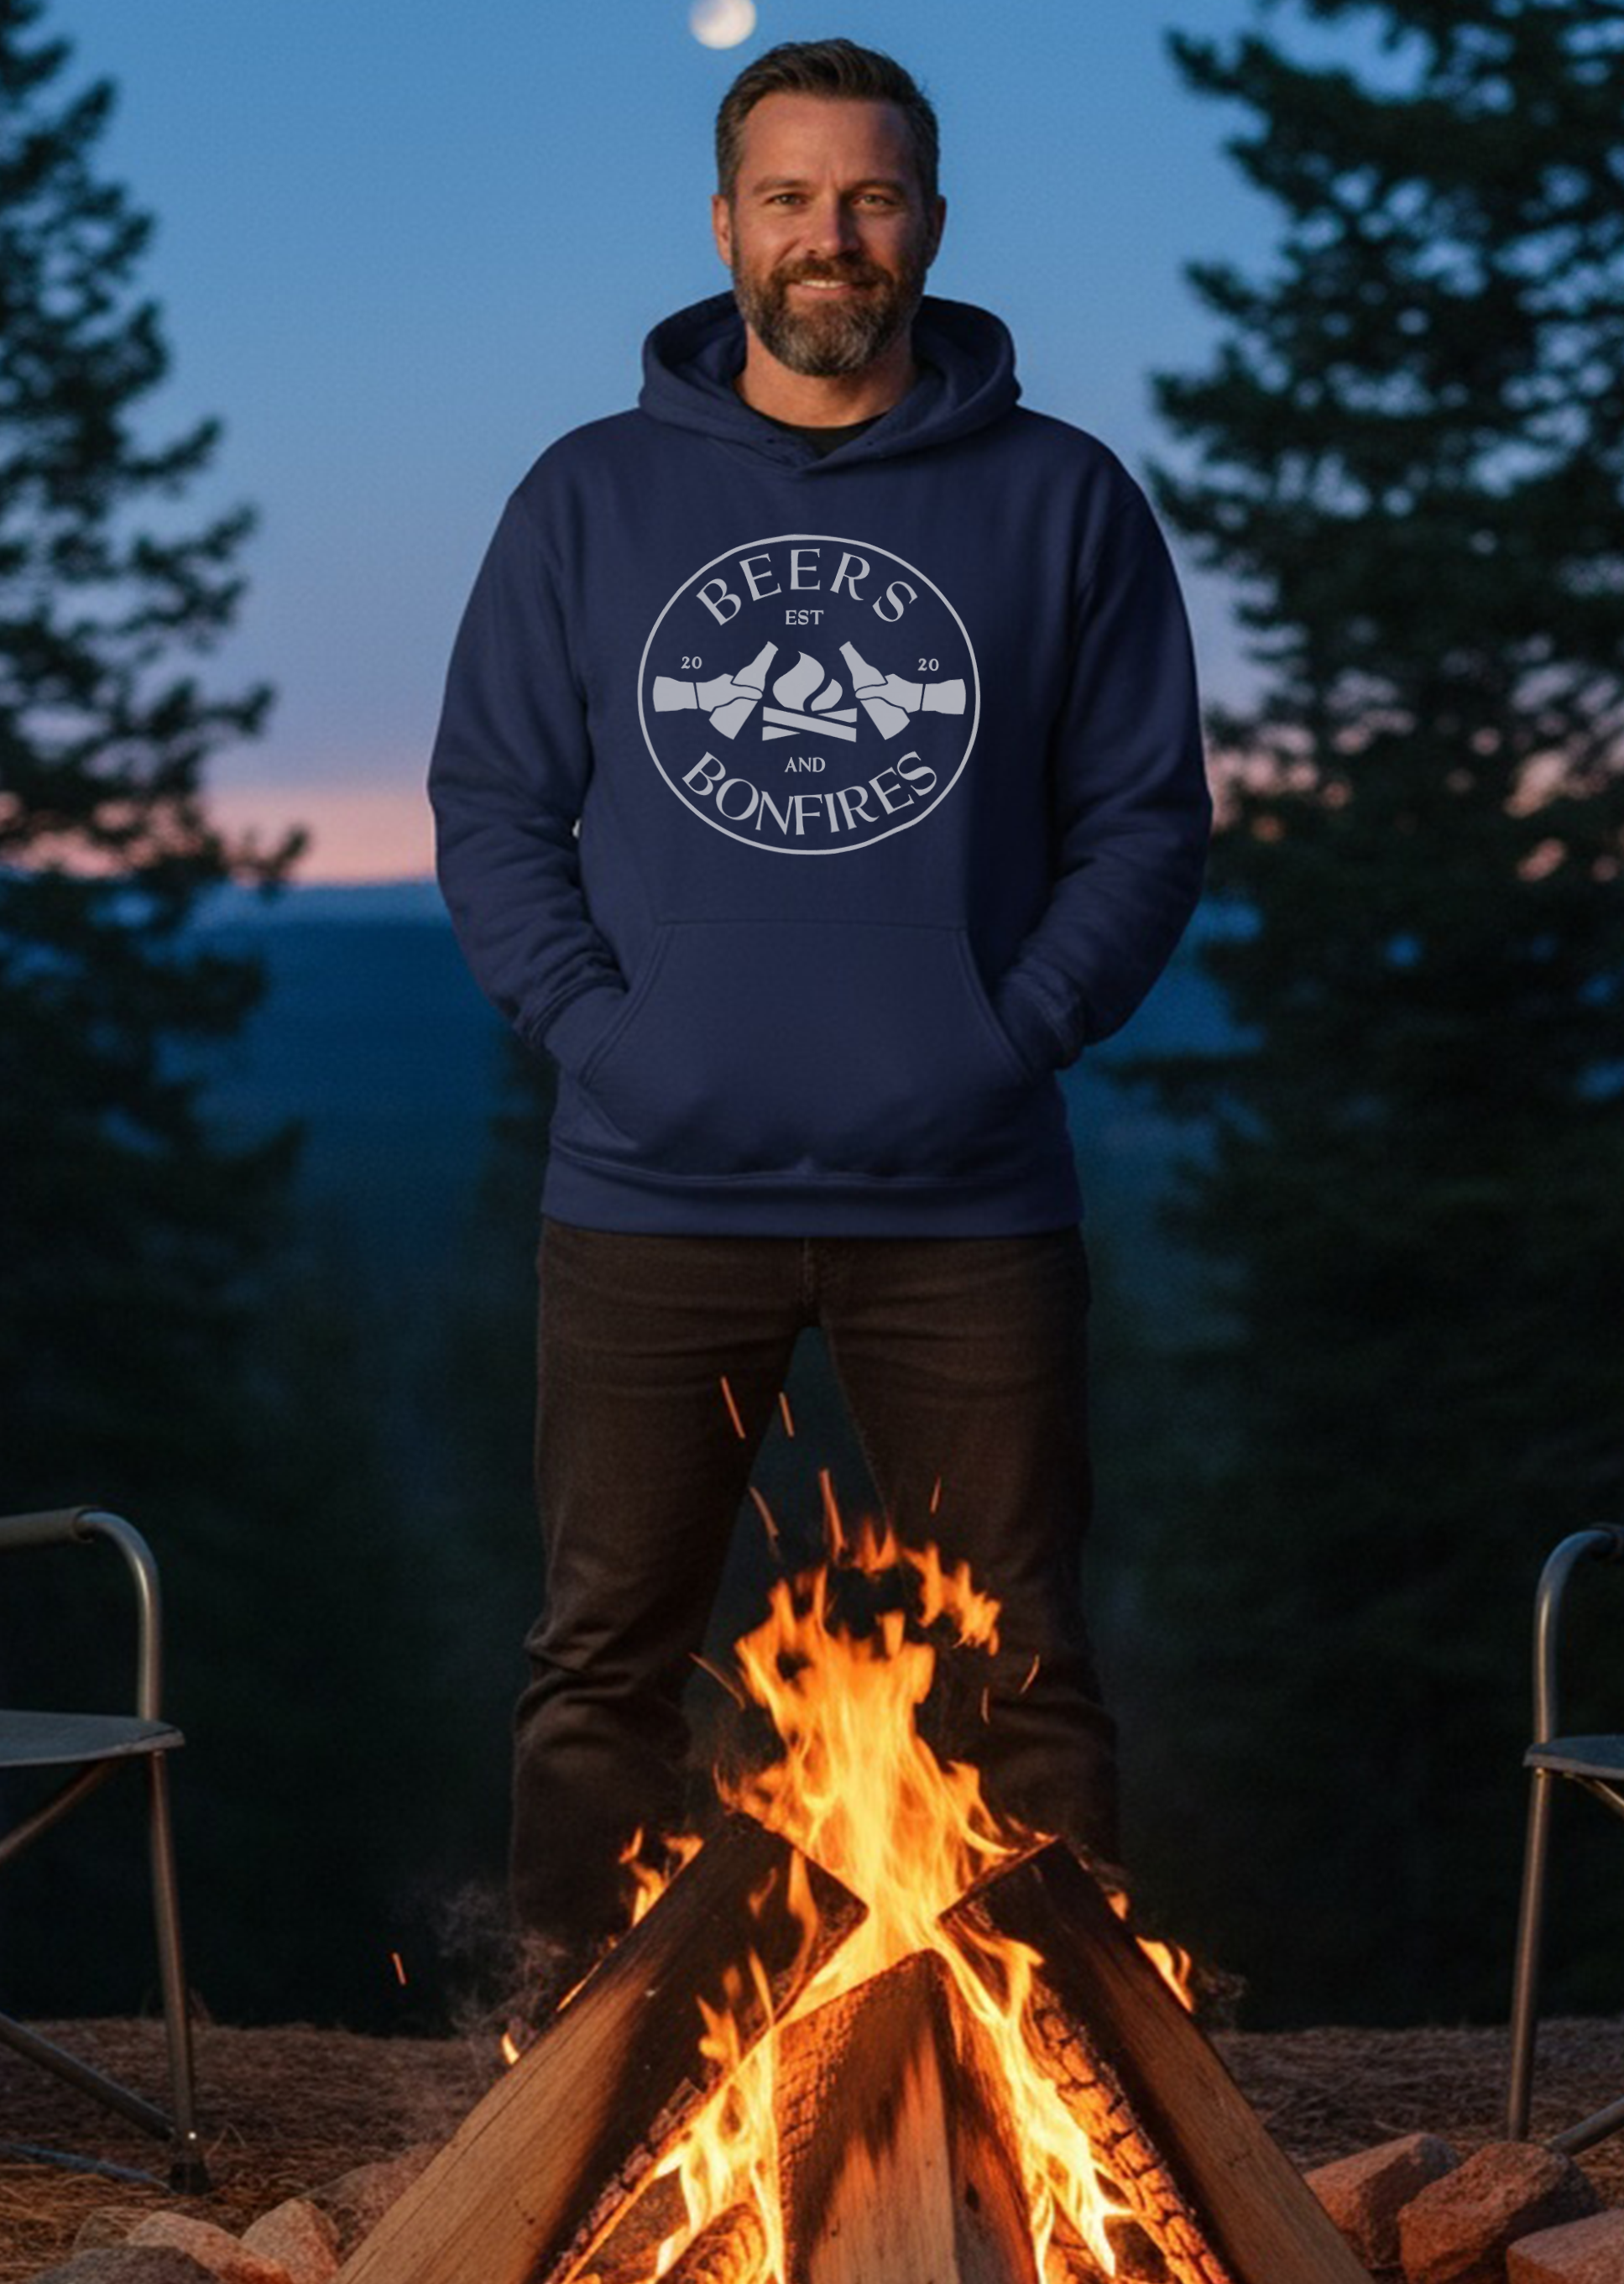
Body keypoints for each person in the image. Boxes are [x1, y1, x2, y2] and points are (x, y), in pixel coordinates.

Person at [429, 37, 1211, 1989]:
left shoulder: (1060, 500)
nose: (828, 236)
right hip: (647, 1189)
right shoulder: (588, 498)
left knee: (1026, 1660)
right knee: (601, 1661)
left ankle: (1074, 2080)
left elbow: (1141, 820)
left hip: (966, 1194)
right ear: (725, 224)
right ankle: (570, 2075)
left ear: (929, 223)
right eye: (788, 198)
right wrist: (609, 1038)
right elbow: (494, 807)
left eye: (868, 197)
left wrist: (1004, 1036)